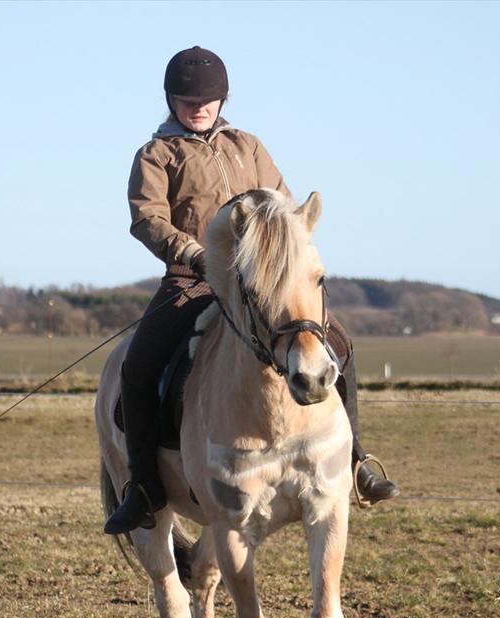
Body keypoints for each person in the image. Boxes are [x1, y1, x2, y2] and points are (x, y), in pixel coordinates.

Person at [104, 46, 399, 535]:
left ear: (222, 99)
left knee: (340, 344)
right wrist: (193, 252)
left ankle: (356, 463)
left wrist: (286, 248)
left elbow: (282, 205)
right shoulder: (155, 155)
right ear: (171, 99)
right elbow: (148, 219)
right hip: (192, 280)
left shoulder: (249, 146)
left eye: (207, 100)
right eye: (187, 100)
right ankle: (143, 486)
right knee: (138, 367)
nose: (198, 108)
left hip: (262, 283)